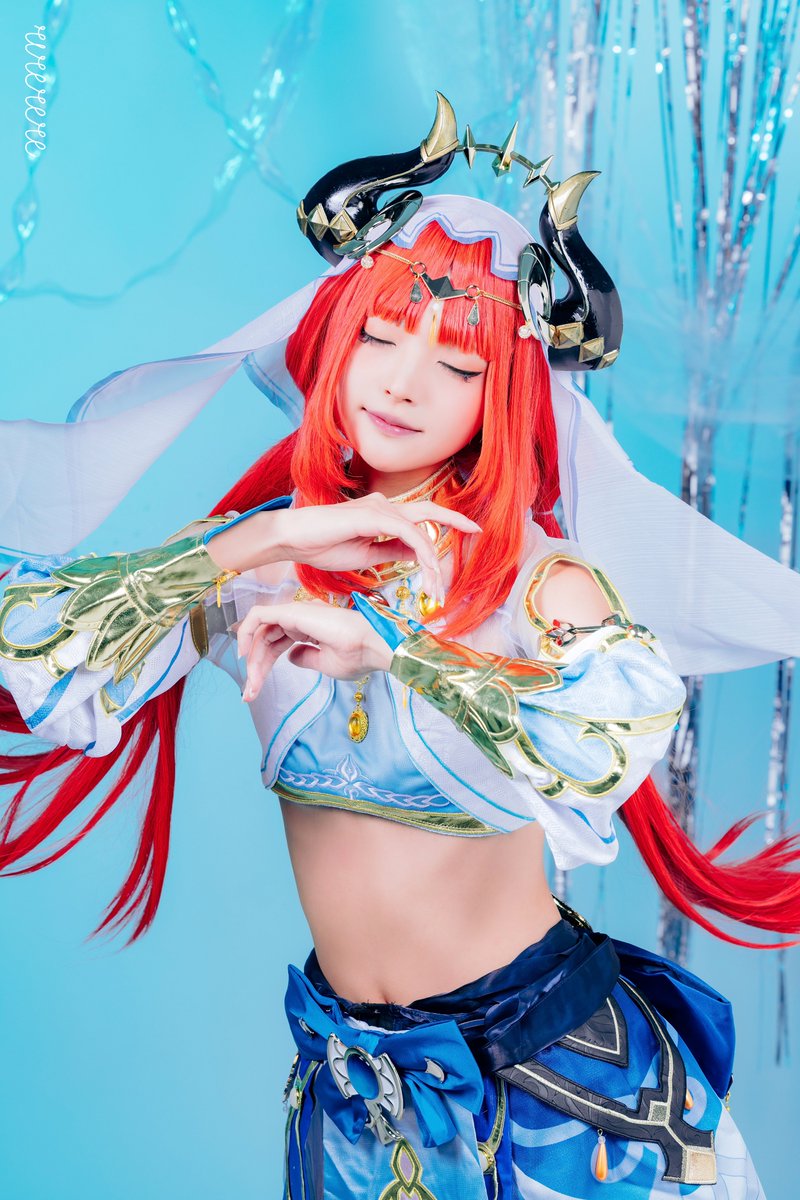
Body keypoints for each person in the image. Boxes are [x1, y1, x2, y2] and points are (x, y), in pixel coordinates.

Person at [0, 92, 792, 1199]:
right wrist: (265, 536)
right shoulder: (265, 566)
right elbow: (38, 643)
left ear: (505, 392)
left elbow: (614, 731)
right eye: (378, 336)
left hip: (563, 1092)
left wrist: (397, 655)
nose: (401, 381)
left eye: (456, 366)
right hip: (353, 1103)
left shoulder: (543, 584)